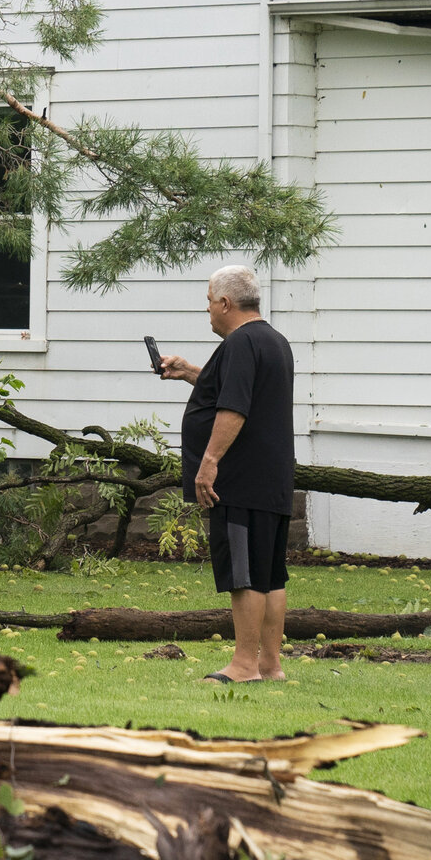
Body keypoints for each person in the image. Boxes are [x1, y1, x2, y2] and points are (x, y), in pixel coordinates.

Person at [156, 265, 295, 683]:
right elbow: (236, 389)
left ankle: (244, 665)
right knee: (270, 574)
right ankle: (270, 665)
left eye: (209, 303)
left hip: (238, 478)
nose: (209, 312)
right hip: (271, 479)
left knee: (243, 573)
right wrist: (190, 373)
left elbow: (234, 407)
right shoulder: (273, 340)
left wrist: (210, 461)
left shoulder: (239, 343)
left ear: (225, 303)